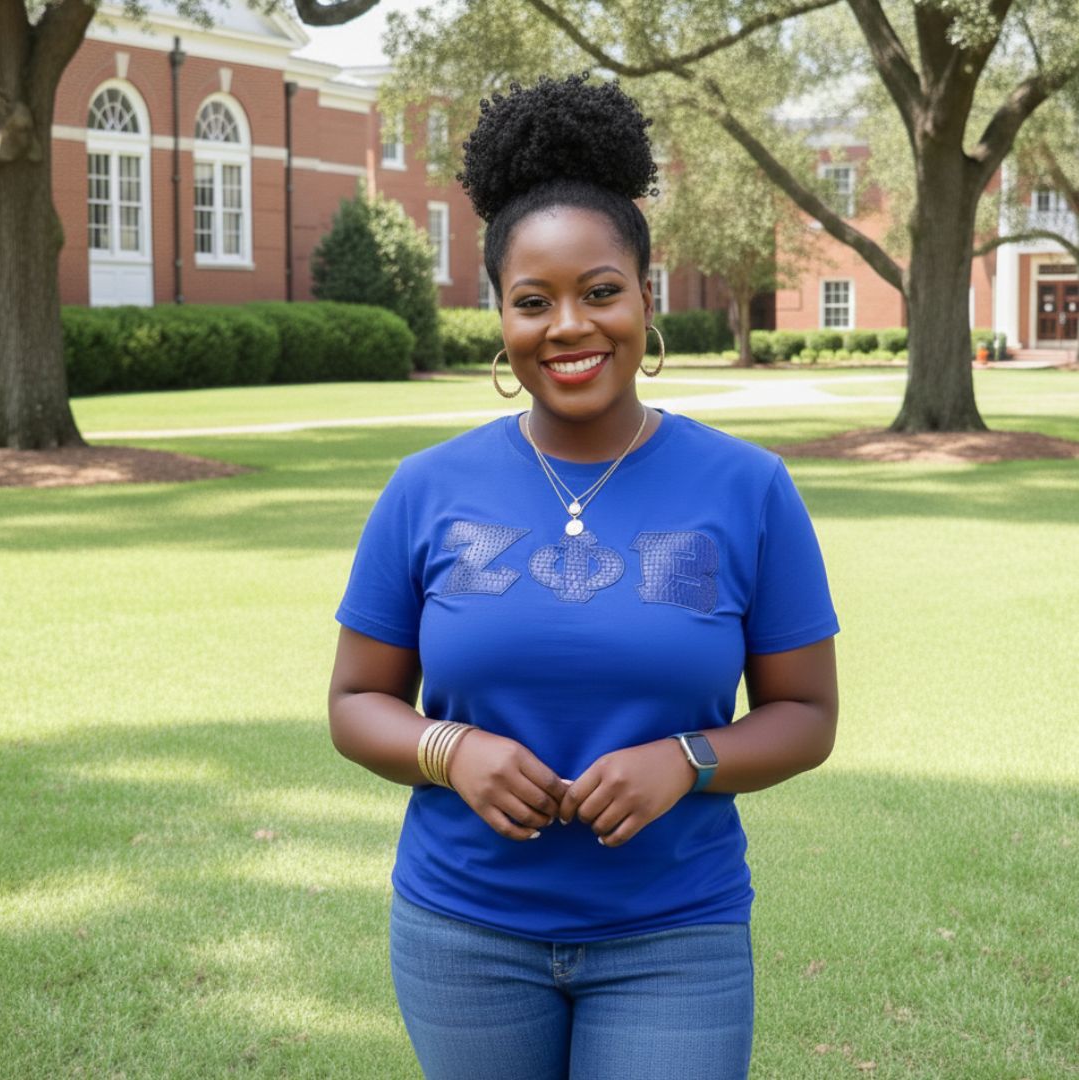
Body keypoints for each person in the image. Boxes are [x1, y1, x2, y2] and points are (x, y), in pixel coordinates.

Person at [328, 73, 839, 1080]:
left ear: (646, 300)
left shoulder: (748, 488)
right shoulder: (427, 489)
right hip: (463, 931)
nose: (569, 325)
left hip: (673, 936)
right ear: (502, 320)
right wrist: (449, 750)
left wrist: (687, 759)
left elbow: (807, 716)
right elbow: (355, 701)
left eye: (600, 291)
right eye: (534, 301)